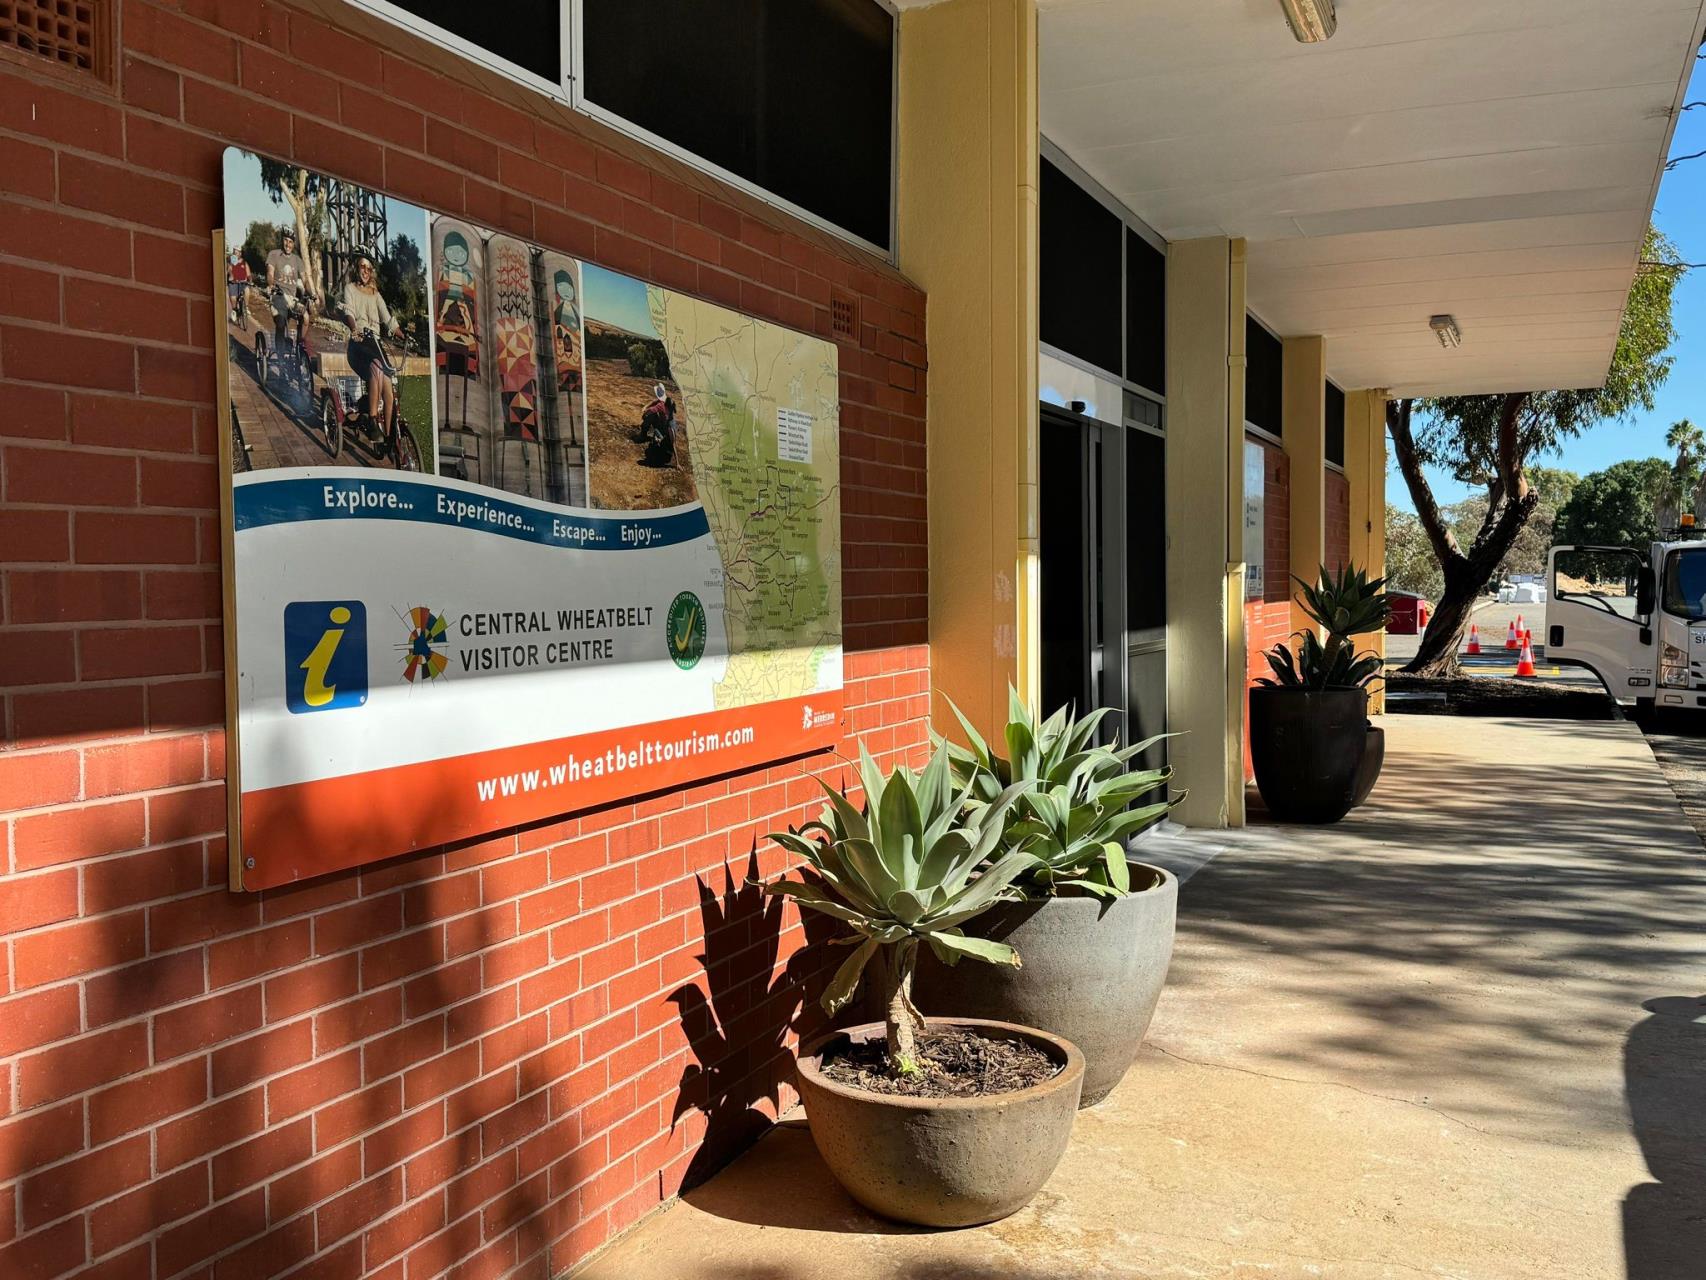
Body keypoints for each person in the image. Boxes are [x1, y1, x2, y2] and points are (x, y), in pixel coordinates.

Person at [338, 252, 404, 437]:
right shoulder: (350, 289)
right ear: (356, 268)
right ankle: (373, 420)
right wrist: (354, 329)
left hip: (375, 344)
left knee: (388, 385)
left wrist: (403, 335)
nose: (365, 271)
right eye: (362, 267)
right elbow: (349, 312)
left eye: (368, 268)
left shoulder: (376, 294)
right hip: (358, 345)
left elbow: (388, 319)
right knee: (376, 366)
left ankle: (390, 437)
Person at [264, 228, 312, 356]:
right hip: (278, 296)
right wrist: (271, 284)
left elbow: (305, 279)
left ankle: (299, 345)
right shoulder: (274, 255)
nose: (288, 244)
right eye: (285, 240)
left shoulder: (297, 260)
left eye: (290, 241)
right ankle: (280, 357)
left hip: (292, 299)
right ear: (282, 240)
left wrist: (312, 293)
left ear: (293, 243)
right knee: (280, 322)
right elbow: (270, 273)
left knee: (306, 317)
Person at [226, 252, 250, 329]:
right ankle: (234, 310)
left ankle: (246, 308)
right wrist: (232, 276)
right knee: (233, 297)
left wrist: (250, 280)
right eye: (235, 252)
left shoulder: (244, 262)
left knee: (247, 290)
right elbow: (229, 269)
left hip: (243, 282)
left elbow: (248, 273)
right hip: (234, 282)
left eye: (238, 252)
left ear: (240, 253)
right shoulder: (232, 260)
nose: (236, 254)